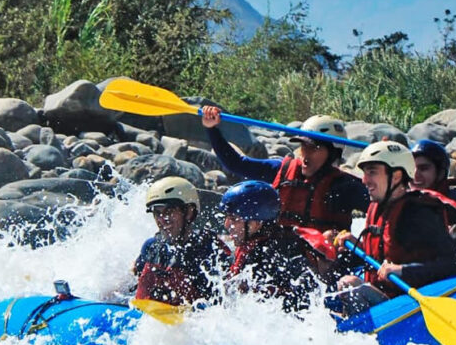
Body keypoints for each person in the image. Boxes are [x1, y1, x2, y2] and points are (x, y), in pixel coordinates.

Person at [334, 140, 456, 315]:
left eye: (372, 173)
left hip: (407, 303)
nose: (365, 180)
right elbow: (382, 255)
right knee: (340, 282)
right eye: (365, 173)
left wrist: (403, 271)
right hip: (385, 295)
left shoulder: (419, 213)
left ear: (396, 176)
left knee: (349, 285)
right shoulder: (379, 207)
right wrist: (356, 244)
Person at [201, 107, 369, 241]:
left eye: (314, 147)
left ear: (333, 154)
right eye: (303, 146)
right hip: (278, 255)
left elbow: (384, 210)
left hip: (320, 263)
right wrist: (212, 129)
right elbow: (236, 164)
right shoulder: (281, 170)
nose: (305, 153)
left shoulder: (347, 187)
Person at [220, 180, 319, 312]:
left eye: (234, 219)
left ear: (256, 224)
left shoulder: (276, 256)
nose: (226, 225)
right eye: (226, 218)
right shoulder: (252, 247)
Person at [133, 176, 230, 307]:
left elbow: (225, 302)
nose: (162, 220)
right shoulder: (151, 247)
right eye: (157, 213)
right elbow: (132, 283)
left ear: (189, 212)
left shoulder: (209, 248)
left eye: (169, 211)